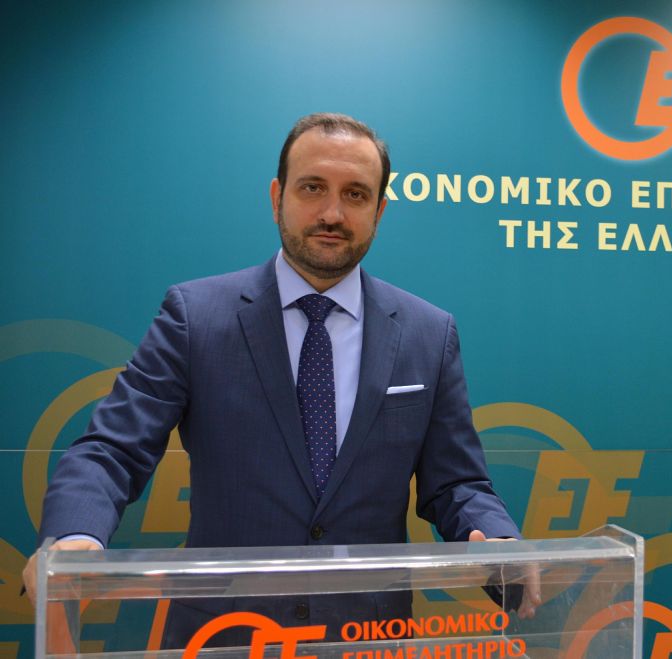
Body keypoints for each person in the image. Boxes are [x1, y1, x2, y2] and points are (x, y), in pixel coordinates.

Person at [22, 113, 539, 647]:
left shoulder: (428, 333)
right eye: (312, 187)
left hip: (367, 638)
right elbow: (112, 449)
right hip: (224, 638)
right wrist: (75, 535)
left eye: (356, 194)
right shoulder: (196, 317)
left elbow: (456, 484)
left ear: (379, 211)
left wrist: (497, 540)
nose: (332, 213)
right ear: (277, 197)